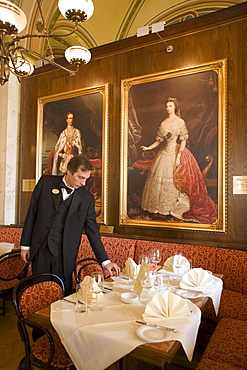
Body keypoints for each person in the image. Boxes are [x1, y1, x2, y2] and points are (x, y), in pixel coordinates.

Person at [20, 155, 120, 295]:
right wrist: (25, 245)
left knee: (62, 293)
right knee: (39, 291)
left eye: (86, 178)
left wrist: (105, 262)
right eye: (80, 177)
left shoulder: (87, 199)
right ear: (68, 171)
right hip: (41, 249)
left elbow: (93, 233)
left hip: (65, 254)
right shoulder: (45, 183)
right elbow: (32, 214)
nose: (84, 183)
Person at [141, 97, 217, 223]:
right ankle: (159, 208)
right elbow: (159, 140)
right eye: (166, 106)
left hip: (175, 152)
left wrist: (179, 155)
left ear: (175, 107)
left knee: (174, 180)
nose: (168, 108)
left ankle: (172, 208)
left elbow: (183, 139)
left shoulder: (180, 122)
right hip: (164, 153)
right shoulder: (163, 123)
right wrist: (149, 147)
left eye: (170, 106)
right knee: (157, 180)